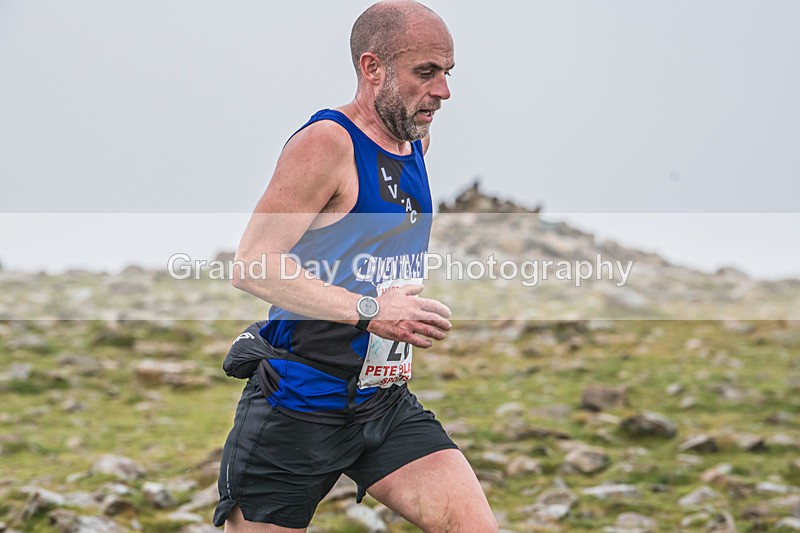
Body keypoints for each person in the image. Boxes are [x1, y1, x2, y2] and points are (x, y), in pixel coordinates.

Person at [213, 1, 498, 531]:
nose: (443, 91)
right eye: (426, 72)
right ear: (373, 68)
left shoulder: (415, 141)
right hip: (296, 404)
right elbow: (252, 264)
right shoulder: (327, 143)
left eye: (447, 73)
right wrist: (371, 310)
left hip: (382, 402)